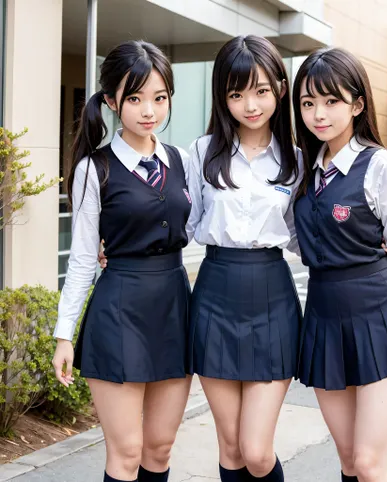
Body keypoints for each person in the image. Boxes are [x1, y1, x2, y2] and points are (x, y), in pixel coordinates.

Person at [292, 47, 387, 482]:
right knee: (346, 460)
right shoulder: (304, 166)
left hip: (381, 313)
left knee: (369, 463)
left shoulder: (379, 165)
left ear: (357, 104)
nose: (318, 114)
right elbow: (289, 234)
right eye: (308, 103)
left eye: (331, 101)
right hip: (324, 315)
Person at [52, 40, 193, 482]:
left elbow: (215, 223)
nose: (148, 110)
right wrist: (64, 334)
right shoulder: (95, 169)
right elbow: (80, 260)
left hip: (174, 308)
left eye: (159, 97)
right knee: (128, 451)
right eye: (134, 98)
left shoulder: (181, 160)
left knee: (159, 448)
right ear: (112, 101)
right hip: (119, 312)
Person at [186, 35, 303, 482]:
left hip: (272, 297)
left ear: (279, 87)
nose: (249, 105)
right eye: (235, 94)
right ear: (223, 98)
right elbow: (183, 222)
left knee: (257, 451)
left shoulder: (296, 159)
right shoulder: (202, 152)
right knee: (231, 447)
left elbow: (303, 236)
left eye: (259, 90)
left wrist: (371, 248)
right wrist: (120, 243)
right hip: (215, 293)